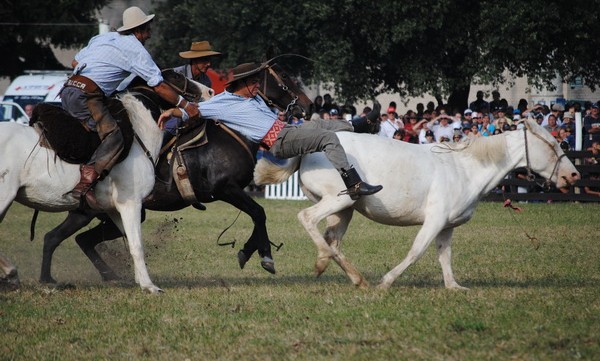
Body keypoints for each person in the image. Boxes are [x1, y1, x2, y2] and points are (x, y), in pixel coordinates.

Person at [159, 62, 382, 200]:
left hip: (286, 130)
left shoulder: (254, 97)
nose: (258, 86)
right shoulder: (221, 102)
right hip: (278, 141)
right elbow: (195, 110)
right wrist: (173, 112)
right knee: (328, 137)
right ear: (243, 83)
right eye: (254, 82)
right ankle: (353, 184)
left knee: (318, 124)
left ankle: (362, 125)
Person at [61, 6, 200, 208]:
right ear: (140, 29)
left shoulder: (102, 38)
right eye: (148, 29)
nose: (150, 34)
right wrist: (187, 105)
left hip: (68, 89)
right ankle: (85, 184)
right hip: (87, 97)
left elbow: (76, 60)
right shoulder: (136, 50)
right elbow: (159, 86)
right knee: (114, 135)